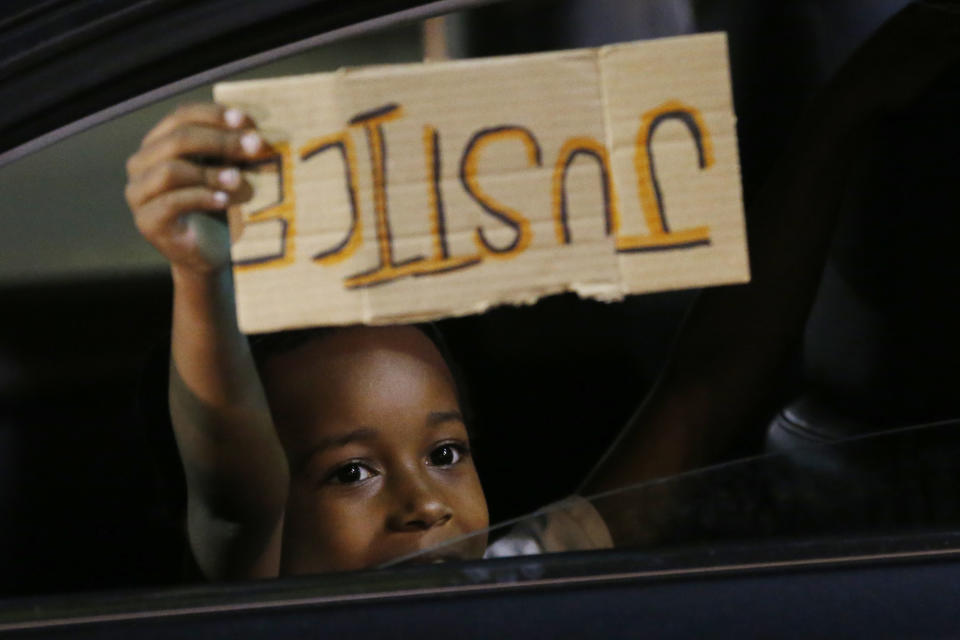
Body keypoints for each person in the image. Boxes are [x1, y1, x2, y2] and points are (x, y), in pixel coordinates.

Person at [125, 1, 960, 581]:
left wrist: (845, 111)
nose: (424, 504)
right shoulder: (271, 592)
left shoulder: (521, 569)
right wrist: (201, 275)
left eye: (447, 453)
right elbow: (235, 481)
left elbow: (709, 383)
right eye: (349, 473)